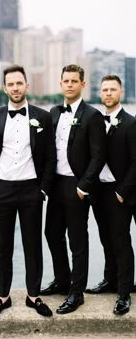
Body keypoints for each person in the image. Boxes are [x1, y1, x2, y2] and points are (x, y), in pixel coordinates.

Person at [0, 64, 56, 317]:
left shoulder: (43, 117)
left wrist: (43, 190)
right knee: (1, 245)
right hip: (1, 189)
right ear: (5, 88)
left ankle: (33, 296)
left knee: (32, 244)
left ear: (27, 85)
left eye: (19, 83)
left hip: (31, 190)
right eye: (10, 84)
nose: (15, 88)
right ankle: (3, 297)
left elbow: (49, 157)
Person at [41, 64, 106, 314]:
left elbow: (98, 156)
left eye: (73, 81)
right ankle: (62, 280)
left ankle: (76, 293)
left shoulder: (92, 116)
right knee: (51, 233)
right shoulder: (53, 113)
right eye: (65, 80)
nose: (69, 84)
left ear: (82, 84)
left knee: (77, 241)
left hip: (77, 186)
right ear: (60, 84)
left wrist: (83, 186)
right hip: (56, 184)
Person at [85, 75, 135, 315]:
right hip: (99, 191)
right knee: (105, 238)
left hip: (119, 192)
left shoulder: (131, 123)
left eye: (112, 89)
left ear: (120, 93)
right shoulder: (94, 120)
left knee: (121, 241)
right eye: (104, 89)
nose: (107, 93)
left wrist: (122, 193)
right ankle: (110, 280)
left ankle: (124, 293)